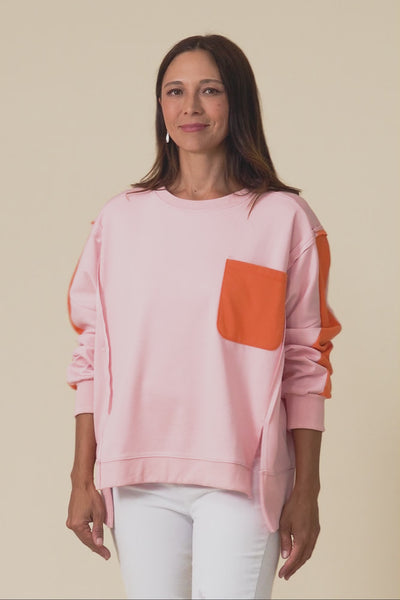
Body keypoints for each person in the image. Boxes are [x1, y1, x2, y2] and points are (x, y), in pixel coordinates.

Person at [65, 34, 342, 600]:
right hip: (138, 476)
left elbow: (305, 361)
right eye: (175, 91)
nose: (190, 106)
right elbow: (91, 353)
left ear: (237, 102)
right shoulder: (119, 220)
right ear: (160, 106)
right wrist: (81, 476)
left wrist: (307, 490)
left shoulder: (282, 219)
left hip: (243, 479)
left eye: (210, 90)